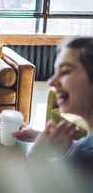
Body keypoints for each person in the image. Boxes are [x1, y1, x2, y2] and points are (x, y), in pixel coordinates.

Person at [13, 37, 93, 170]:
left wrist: (36, 155)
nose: (51, 82)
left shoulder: (85, 161)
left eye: (65, 71)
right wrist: (41, 137)